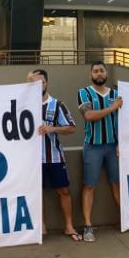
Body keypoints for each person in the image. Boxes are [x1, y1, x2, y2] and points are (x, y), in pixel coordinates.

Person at [77, 61, 129, 242]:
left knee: (117, 183)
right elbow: (88, 116)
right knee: (89, 185)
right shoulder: (84, 93)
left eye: (101, 71)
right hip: (93, 147)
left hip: (114, 146)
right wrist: (112, 108)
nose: (99, 74)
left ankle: (126, 220)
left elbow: (125, 121)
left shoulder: (116, 94)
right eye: (95, 71)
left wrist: (122, 143)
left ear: (106, 74)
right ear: (91, 75)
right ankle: (88, 226)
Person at [28, 70, 81, 241]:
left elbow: (71, 127)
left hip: (55, 157)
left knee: (64, 190)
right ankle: (41, 226)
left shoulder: (57, 105)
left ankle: (68, 226)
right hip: (33, 159)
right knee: (38, 193)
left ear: (47, 83)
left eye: (40, 82)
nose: (38, 86)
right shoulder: (25, 106)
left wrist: (52, 129)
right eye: (33, 83)